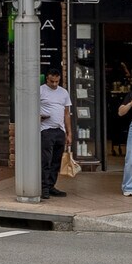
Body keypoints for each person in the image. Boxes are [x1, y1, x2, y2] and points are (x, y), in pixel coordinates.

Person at [40, 67, 73, 199]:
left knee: (56, 161)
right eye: (51, 81)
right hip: (45, 129)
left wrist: (69, 133)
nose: (54, 84)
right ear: (47, 79)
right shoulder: (40, 90)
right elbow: (32, 109)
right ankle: (44, 188)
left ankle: (51, 186)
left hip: (60, 130)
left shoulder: (63, 92)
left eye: (57, 82)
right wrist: (39, 116)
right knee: (46, 160)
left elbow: (67, 113)